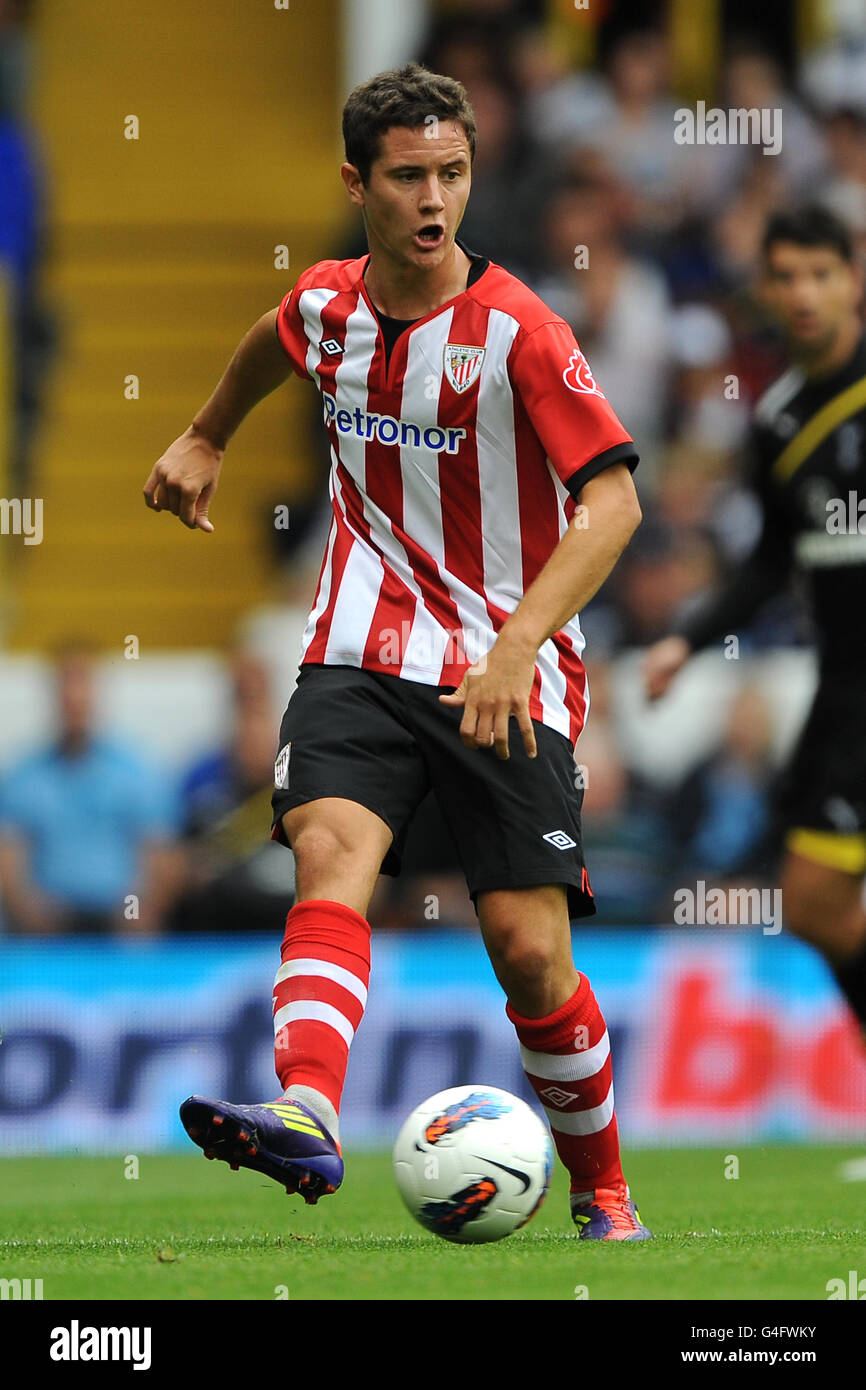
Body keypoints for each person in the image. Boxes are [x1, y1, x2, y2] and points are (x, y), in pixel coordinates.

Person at [143, 63, 648, 1240]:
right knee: (329, 851)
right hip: (359, 646)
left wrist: (519, 643)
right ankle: (309, 1113)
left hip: (500, 663)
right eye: (409, 176)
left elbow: (613, 505)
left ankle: (604, 1191)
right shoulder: (326, 304)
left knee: (528, 952)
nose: (434, 199)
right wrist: (206, 434)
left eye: (453, 174)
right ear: (355, 183)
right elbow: (270, 340)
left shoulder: (520, 331)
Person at [644, 205, 866, 1044]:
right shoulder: (777, 419)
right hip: (842, 691)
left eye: (822, 274)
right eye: (788, 277)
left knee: (815, 893)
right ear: (767, 288)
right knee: (811, 904)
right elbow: (772, 562)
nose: (805, 293)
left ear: (852, 280)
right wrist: (685, 642)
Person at [0, 644, 182, 934]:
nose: (74, 696)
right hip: (48, 925)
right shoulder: (22, 776)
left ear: (97, 692)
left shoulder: (136, 771)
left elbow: (162, 856)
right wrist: (31, 914)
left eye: (82, 682)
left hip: (119, 921)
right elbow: (8, 862)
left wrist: (143, 910)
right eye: (66, 684)